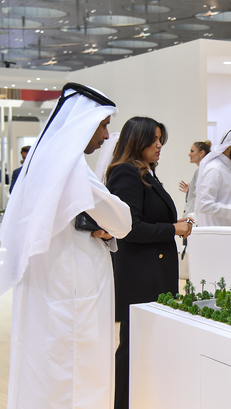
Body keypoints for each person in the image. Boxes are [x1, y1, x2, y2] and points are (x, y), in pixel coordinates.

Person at [0, 83, 132, 409]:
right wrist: (110, 225)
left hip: (50, 288)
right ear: (83, 124)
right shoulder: (71, 168)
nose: (104, 136)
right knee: (77, 376)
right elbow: (122, 220)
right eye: (102, 126)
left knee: (46, 371)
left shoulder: (43, 161)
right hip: (72, 290)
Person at [105, 116, 193, 409]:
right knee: (132, 349)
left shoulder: (145, 173)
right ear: (137, 140)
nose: (159, 145)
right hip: (140, 276)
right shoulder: (127, 174)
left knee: (145, 349)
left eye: (160, 140)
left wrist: (173, 224)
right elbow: (129, 229)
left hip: (154, 273)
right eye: (154, 140)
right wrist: (173, 229)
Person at [196, 124, 231, 226]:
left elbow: (229, 201)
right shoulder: (214, 169)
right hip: (215, 235)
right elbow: (204, 205)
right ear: (228, 147)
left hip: (229, 233)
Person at [179, 140, 211, 219]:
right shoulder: (201, 170)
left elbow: (200, 196)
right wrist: (189, 191)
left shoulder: (202, 170)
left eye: (192, 151)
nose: (189, 154)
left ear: (201, 153)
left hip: (193, 217)